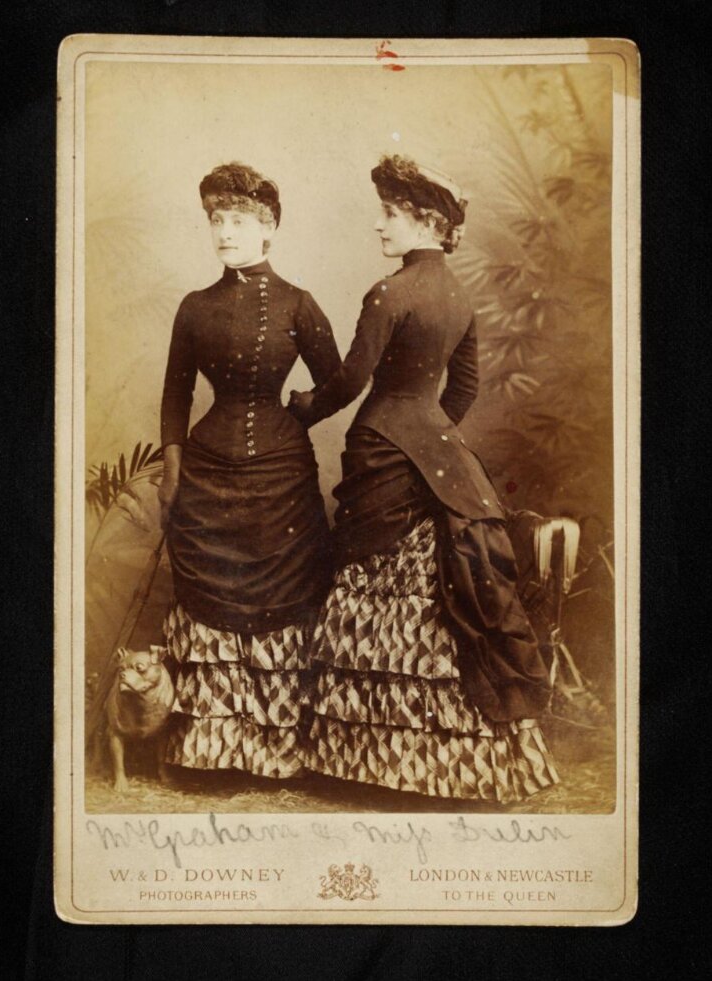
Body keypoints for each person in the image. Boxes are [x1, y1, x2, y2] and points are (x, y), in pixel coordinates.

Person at [289, 154, 559, 802]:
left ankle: (373, 760)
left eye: (389, 214)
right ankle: (462, 765)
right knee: (454, 592)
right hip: (437, 453)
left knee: (371, 585)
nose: (378, 227)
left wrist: (304, 408)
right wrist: (431, 434)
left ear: (426, 221)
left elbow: (353, 380)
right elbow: (460, 387)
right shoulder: (460, 297)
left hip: (381, 444)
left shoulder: (389, 292)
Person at [159, 162, 341, 780]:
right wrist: (172, 467)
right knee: (212, 599)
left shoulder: (297, 303)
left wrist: (300, 418)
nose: (225, 232)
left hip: (281, 476)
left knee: (285, 598)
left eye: (238, 221)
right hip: (207, 469)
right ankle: (214, 751)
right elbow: (176, 397)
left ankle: (279, 750)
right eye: (217, 220)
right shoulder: (194, 307)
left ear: (269, 232)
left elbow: (339, 381)